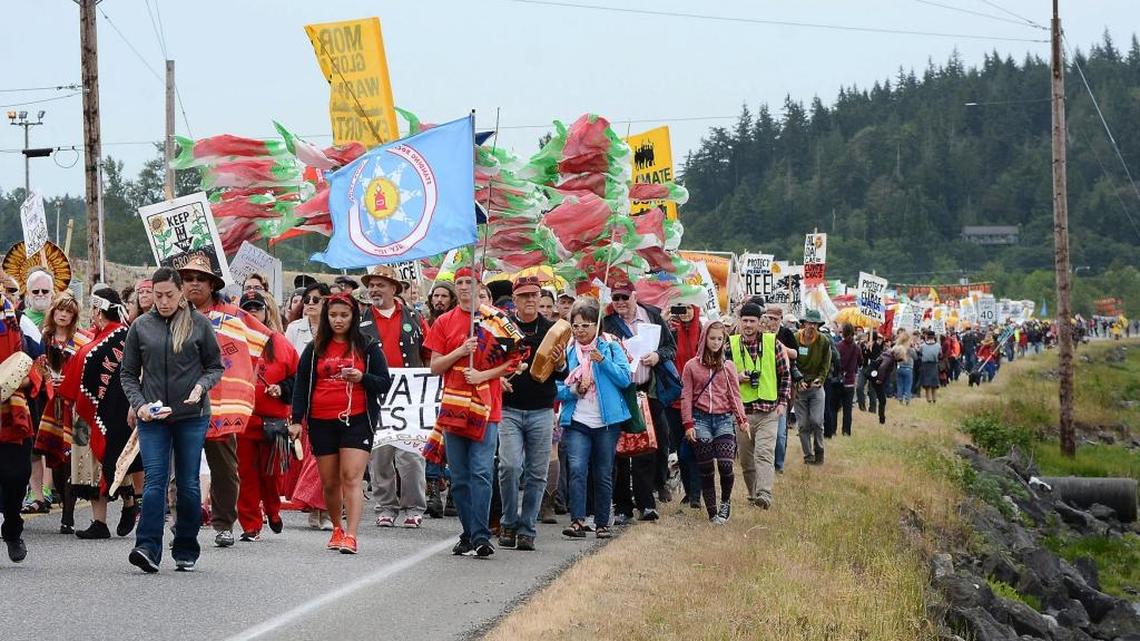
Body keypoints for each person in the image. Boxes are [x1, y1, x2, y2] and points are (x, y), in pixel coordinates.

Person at [120, 267, 225, 573]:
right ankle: (147, 547)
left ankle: (186, 545)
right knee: (155, 482)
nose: (163, 301)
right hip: (153, 417)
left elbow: (214, 366)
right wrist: (139, 405)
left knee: (189, 485)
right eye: (157, 295)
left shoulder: (199, 324)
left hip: (192, 415)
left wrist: (200, 386)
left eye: (169, 295)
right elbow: (127, 374)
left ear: (180, 293)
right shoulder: (140, 326)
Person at [177, 253, 270, 548]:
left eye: (200, 279)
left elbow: (263, 343)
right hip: (180, 402)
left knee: (224, 468)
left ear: (212, 284)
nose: (193, 284)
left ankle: (223, 523)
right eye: (188, 279)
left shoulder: (231, 315)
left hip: (221, 403)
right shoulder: (173, 314)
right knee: (183, 467)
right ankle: (185, 523)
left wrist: (249, 381)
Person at [424, 267, 517, 558]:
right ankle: (469, 532)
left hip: (487, 408)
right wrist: (460, 352)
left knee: (481, 471)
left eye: (470, 282)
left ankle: (480, 535)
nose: (465, 287)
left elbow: (514, 361)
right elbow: (435, 366)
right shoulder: (443, 322)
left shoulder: (496, 319)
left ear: (479, 285)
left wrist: (485, 374)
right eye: (460, 283)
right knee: (460, 476)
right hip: (453, 407)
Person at [290, 293, 391, 554]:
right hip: (321, 421)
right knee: (330, 482)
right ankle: (337, 527)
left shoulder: (367, 346)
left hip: (357, 420)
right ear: (326, 317)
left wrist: (361, 378)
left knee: (351, 477)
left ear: (354, 317)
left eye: (344, 315)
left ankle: (352, 535)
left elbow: (383, 382)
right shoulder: (314, 349)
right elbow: (301, 386)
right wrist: (296, 420)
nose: (338, 320)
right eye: (333, 315)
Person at [62, 289, 144, 541]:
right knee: (105, 461)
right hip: (111, 412)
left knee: (103, 460)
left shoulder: (98, 345)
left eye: (92, 309)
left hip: (102, 412)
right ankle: (107, 516)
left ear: (98, 311)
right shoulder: (123, 336)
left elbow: (72, 385)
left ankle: (120, 508)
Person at [497, 275, 566, 551]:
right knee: (510, 466)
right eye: (523, 295)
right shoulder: (501, 327)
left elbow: (564, 371)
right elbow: (490, 361)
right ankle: (508, 521)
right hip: (509, 408)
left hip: (541, 409)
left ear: (540, 298)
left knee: (537, 472)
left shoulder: (553, 329)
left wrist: (560, 361)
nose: (529, 300)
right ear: (514, 300)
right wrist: (497, 378)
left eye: (533, 295)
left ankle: (527, 527)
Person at [358, 265, 429, 529]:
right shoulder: (361, 319)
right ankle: (385, 506)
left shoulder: (414, 317)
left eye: (381, 285)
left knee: (410, 454)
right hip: (376, 391)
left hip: (408, 394)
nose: (375, 290)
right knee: (380, 453)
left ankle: (414, 507)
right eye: (372, 285)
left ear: (394, 288)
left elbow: (429, 352)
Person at [604, 279, 678, 521]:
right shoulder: (607, 323)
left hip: (649, 390)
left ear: (634, 296)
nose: (621, 303)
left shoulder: (652, 316)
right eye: (616, 298)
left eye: (625, 297)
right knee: (621, 450)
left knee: (647, 448)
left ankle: (646, 502)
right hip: (620, 392)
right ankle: (623, 505)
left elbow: (670, 347)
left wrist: (657, 356)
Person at [557, 297, 630, 540]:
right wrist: (573, 390)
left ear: (596, 325)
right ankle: (577, 520)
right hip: (577, 420)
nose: (580, 331)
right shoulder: (567, 351)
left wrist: (603, 361)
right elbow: (555, 386)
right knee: (577, 469)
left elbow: (624, 378)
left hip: (606, 422)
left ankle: (601, 523)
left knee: (603, 471)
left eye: (585, 325)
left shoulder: (610, 346)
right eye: (575, 326)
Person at [236, 291, 298, 541]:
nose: (252, 314)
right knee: (246, 474)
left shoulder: (280, 343)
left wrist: (281, 388)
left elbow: (297, 379)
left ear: (265, 313)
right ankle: (250, 525)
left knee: (271, 475)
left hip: (274, 422)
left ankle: (273, 510)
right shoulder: (231, 343)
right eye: (247, 309)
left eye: (257, 309)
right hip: (243, 421)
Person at [680, 321, 746, 524]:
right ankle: (712, 511)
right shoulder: (692, 366)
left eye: (720, 339)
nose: (716, 343)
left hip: (724, 419)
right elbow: (686, 395)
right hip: (700, 420)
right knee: (706, 467)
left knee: (726, 465)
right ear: (704, 339)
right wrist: (688, 424)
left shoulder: (728, 367)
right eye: (712, 338)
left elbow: (735, 395)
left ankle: (725, 502)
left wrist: (741, 419)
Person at [729, 304, 791, 509]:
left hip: (768, 411)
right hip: (742, 414)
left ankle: (765, 494)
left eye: (752, 321)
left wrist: (783, 402)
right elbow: (721, 377)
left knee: (764, 453)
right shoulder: (731, 345)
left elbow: (785, 375)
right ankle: (753, 494)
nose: (748, 325)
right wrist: (736, 378)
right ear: (740, 321)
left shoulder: (773, 344)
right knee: (746, 461)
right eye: (745, 320)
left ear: (759, 322)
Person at [32, 292, 84, 533]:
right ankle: (64, 503)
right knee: (55, 456)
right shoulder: (44, 338)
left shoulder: (81, 339)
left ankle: (68, 515)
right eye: (59, 310)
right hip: (51, 404)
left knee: (73, 457)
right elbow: (35, 367)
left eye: (68, 311)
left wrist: (70, 379)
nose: (63, 314)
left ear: (74, 316)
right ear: (53, 313)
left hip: (75, 407)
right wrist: (48, 377)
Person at [0, 282, 36, 563]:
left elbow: (37, 364)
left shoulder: (17, 320)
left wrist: (19, 380)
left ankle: (12, 526)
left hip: (12, 410)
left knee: (16, 476)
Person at [666, 303, 703, 509]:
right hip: (675, 399)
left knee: (694, 447)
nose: (685, 312)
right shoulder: (671, 331)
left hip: (697, 400)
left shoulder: (703, 332)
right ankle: (689, 491)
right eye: (680, 308)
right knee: (681, 449)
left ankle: (696, 493)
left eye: (689, 308)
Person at [794, 309, 831, 465]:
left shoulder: (824, 341)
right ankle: (808, 456)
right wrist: (797, 381)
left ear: (818, 325)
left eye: (815, 323)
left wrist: (821, 379)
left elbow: (826, 363)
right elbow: (791, 362)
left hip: (816, 387)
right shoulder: (795, 338)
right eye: (809, 323)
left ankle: (819, 452)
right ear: (804, 323)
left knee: (816, 421)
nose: (811, 326)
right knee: (802, 425)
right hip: (800, 387)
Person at [285, 282, 329, 354]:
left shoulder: (332, 327)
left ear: (325, 301)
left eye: (315, 299)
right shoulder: (293, 328)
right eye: (307, 300)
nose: (310, 303)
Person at [835, 323, 859, 436]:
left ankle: (833, 430)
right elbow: (860, 362)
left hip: (839, 381)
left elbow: (834, 362)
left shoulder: (838, 346)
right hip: (850, 381)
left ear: (843, 333)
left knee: (834, 407)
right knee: (847, 410)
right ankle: (846, 431)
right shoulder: (857, 348)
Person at [918, 330, 942, 403]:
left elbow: (919, 353)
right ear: (934, 337)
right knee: (934, 384)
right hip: (934, 365)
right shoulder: (938, 345)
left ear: (927, 337)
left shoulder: (923, 345)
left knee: (927, 384)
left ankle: (929, 399)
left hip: (925, 365)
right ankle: (934, 399)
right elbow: (940, 355)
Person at [894, 330, 916, 403]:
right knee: (908, 385)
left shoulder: (897, 347)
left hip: (899, 367)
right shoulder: (910, 349)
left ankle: (900, 398)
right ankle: (907, 398)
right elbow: (915, 357)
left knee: (900, 384)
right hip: (908, 368)